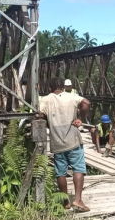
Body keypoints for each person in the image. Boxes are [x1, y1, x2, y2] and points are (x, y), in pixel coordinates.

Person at [39, 77, 91, 212]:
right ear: (62, 86)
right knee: (78, 168)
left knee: (60, 172)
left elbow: (39, 114)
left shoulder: (45, 99)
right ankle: (78, 200)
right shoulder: (71, 96)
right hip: (73, 139)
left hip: (57, 141)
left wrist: (47, 119)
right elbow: (86, 103)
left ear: (50, 87)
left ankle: (65, 201)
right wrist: (80, 118)